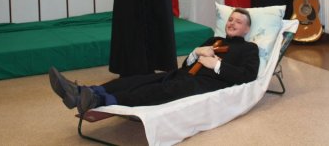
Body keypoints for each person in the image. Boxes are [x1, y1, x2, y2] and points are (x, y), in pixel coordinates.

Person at [49, 8, 259, 114]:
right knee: (137, 79)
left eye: (238, 21)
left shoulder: (249, 48)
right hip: (183, 75)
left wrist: (217, 65)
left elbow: (249, 76)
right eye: (230, 19)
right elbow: (186, 65)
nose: (232, 23)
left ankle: (98, 101)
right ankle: (82, 91)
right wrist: (196, 52)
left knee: (156, 91)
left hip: (205, 84)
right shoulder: (214, 40)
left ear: (247, 29)